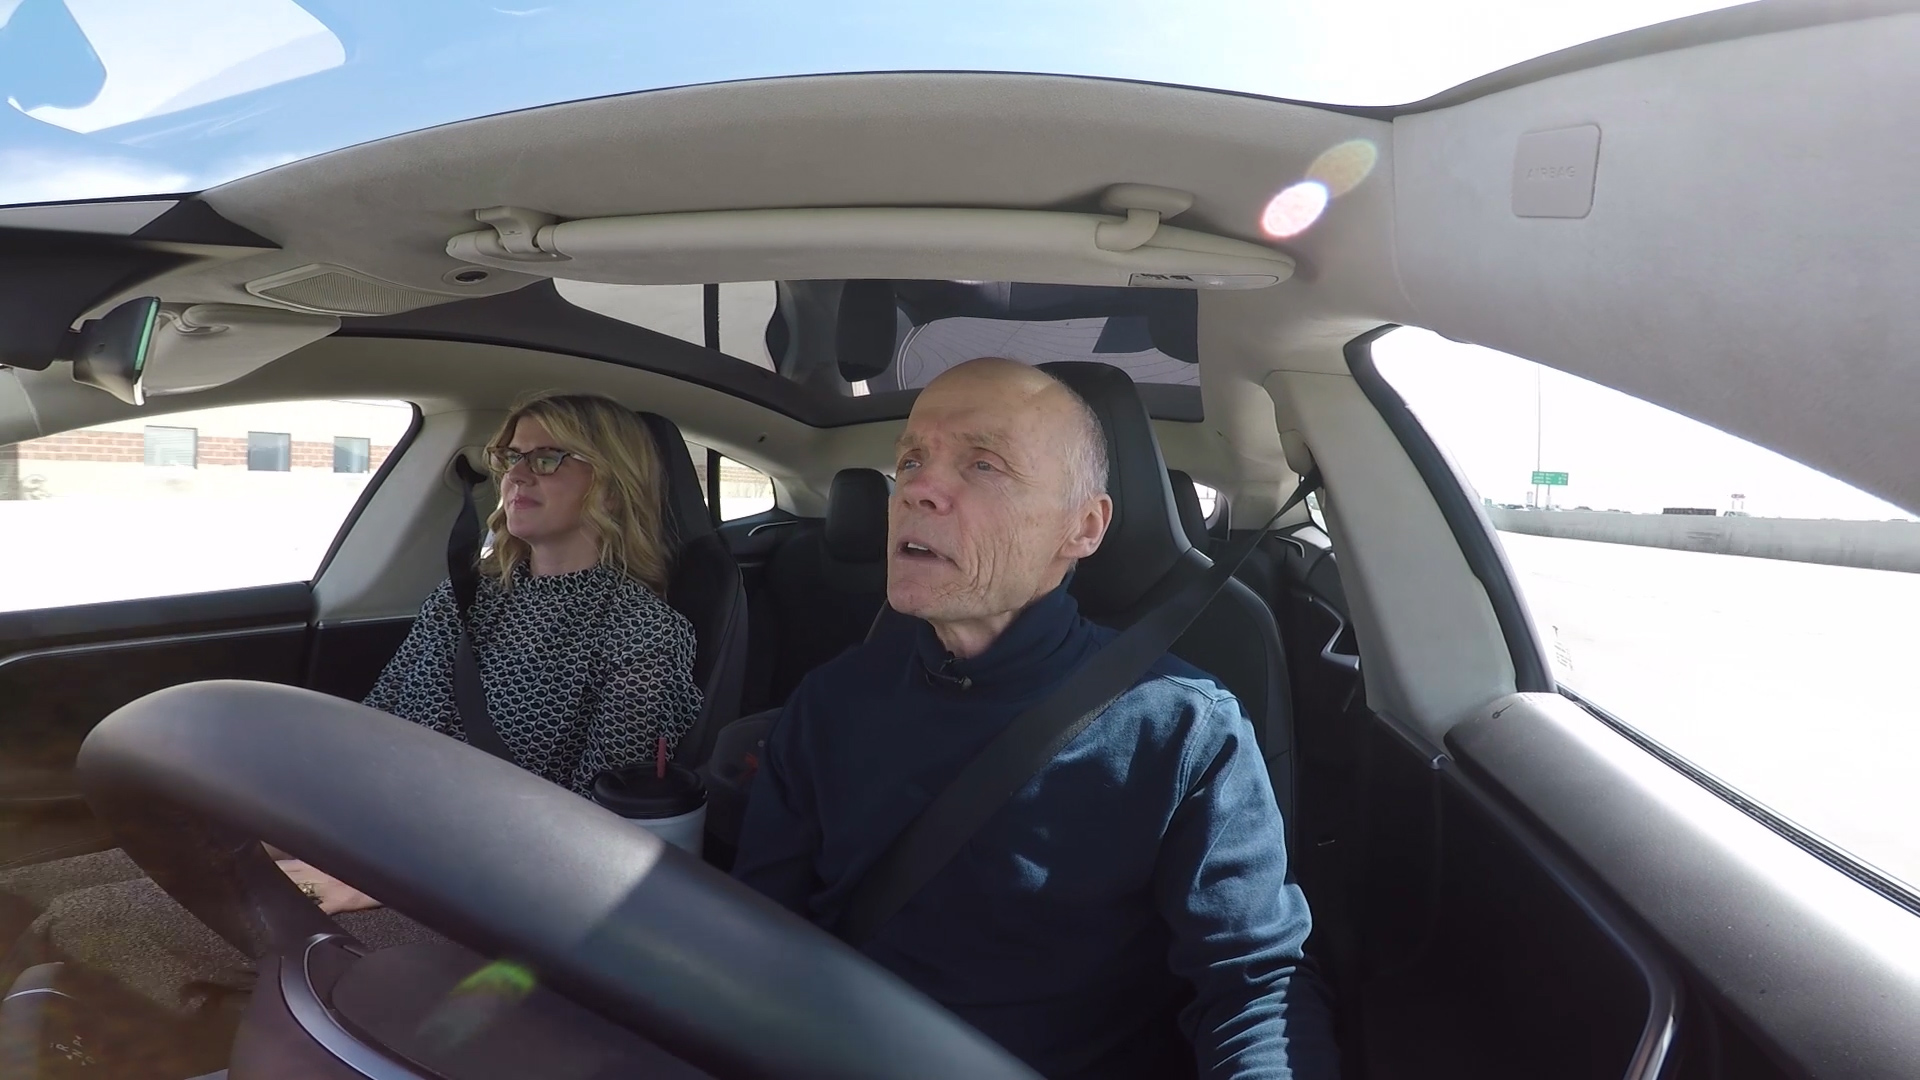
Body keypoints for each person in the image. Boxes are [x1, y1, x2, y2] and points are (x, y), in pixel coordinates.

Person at [732, 358, 1337, 1079]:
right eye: (911, 460)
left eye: (983, 465)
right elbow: (757, 935)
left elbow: (1253, 986)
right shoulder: (830, 701)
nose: (917, 489)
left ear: (1083, 527)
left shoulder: (1183, 731)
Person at [0, 391, 702, 1010]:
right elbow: (377, 733)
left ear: (612, 482)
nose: (517, 473)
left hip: (483, 892)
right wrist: (289, 820)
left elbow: (598, 844)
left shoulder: (643, 634)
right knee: (32, 888)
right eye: (510, 455)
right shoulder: (466, 600)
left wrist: (384, 878)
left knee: (92, 923)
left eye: (547, 458)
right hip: (372, 834)